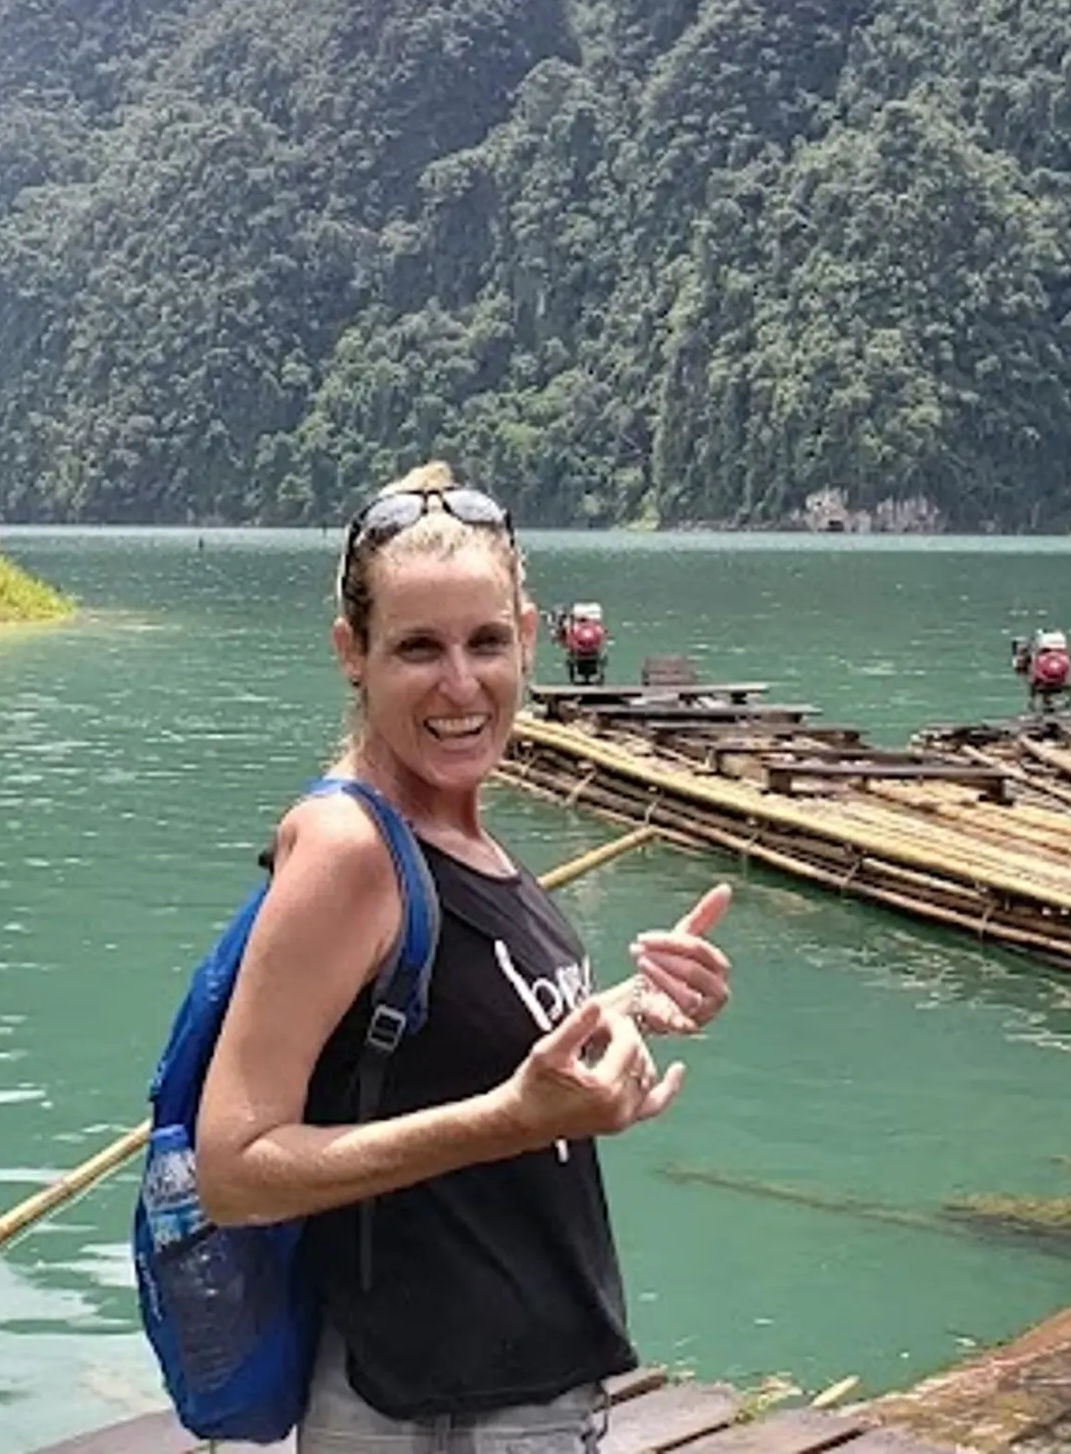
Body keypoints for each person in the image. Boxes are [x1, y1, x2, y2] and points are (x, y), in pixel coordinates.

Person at [194, 462, 735, 1449]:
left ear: (529, 639)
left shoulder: (461, 834)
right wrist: (507, 1120)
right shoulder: (352, 849)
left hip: (518, 1401)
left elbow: (452, 1052)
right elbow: (234, 1167)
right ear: (351, 654)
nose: (460, 684)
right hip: (433, 1419)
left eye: (486, 642)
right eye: (417, 648)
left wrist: (626, 1008)